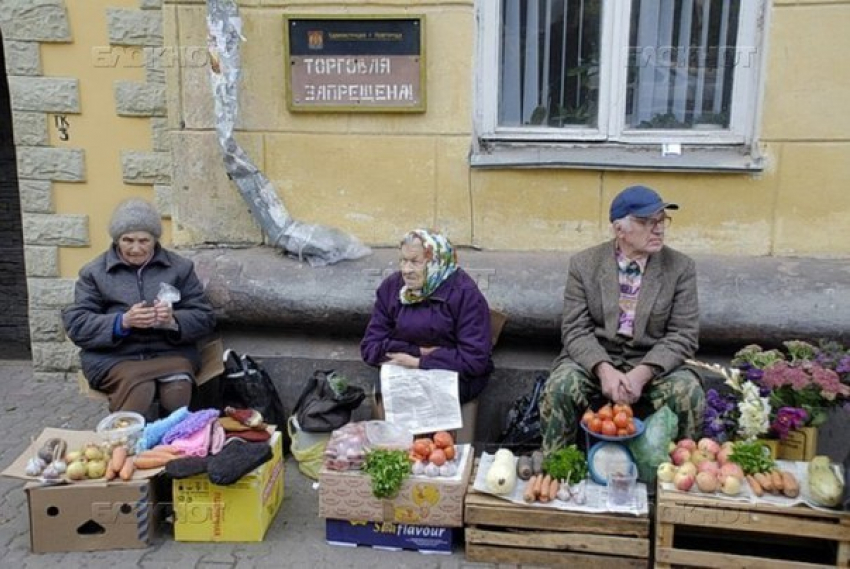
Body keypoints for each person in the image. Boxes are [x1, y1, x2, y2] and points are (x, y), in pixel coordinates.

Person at [540, 185, 705, 454]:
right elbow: (575, 329)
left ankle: (675, 480)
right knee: (561, 386)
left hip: (651, 361)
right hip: (597, 358)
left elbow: (683, 334)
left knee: (687, 391)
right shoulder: (585, 264)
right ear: (620, 229)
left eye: (662, 220)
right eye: (647, 222)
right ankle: (558, 472)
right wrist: (603, 369)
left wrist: (642, 374)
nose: (659, 229)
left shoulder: (680, 268)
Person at [63, 198, 216, 418]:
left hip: (169, 353)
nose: (136, 248)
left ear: (155, 240)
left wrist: (173, 321)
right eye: (128, 240)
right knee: (141, 388)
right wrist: (122, 321)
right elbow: (77, 325)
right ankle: (129, 443)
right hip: (114, 358)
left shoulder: (180, 268)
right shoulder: (94, 273)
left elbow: (205, 317)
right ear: (117, 240)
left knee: (178, 388)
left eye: (144, 240)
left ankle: (171, 443)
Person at [361, 229, 494, 413]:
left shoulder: (465, 294)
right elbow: (370, 348)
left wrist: (420, 362)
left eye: (415, 262)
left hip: (454, 377)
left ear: (436, 262)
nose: (406, 270)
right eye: (403, 260)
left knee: (423, 398)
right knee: (390, 391)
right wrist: (417, 351)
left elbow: (474, 360)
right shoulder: (392, 288)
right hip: (402, 369)